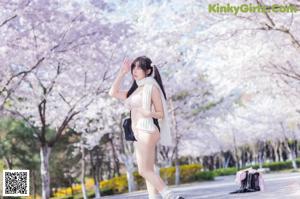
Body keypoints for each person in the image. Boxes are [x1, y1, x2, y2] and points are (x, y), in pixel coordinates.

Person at [109, 56, 184, 199]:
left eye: (139, 67)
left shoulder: (151, 87)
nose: (135, 71)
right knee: (149, 170)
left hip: (146, 129)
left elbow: (161, 114)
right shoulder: (135, 89)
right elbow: (112, 93)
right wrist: (121, 73)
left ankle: (170, 196)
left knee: (143, 170)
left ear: (148, 70)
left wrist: (148, 113)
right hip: (139, 132)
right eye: (133, 67)